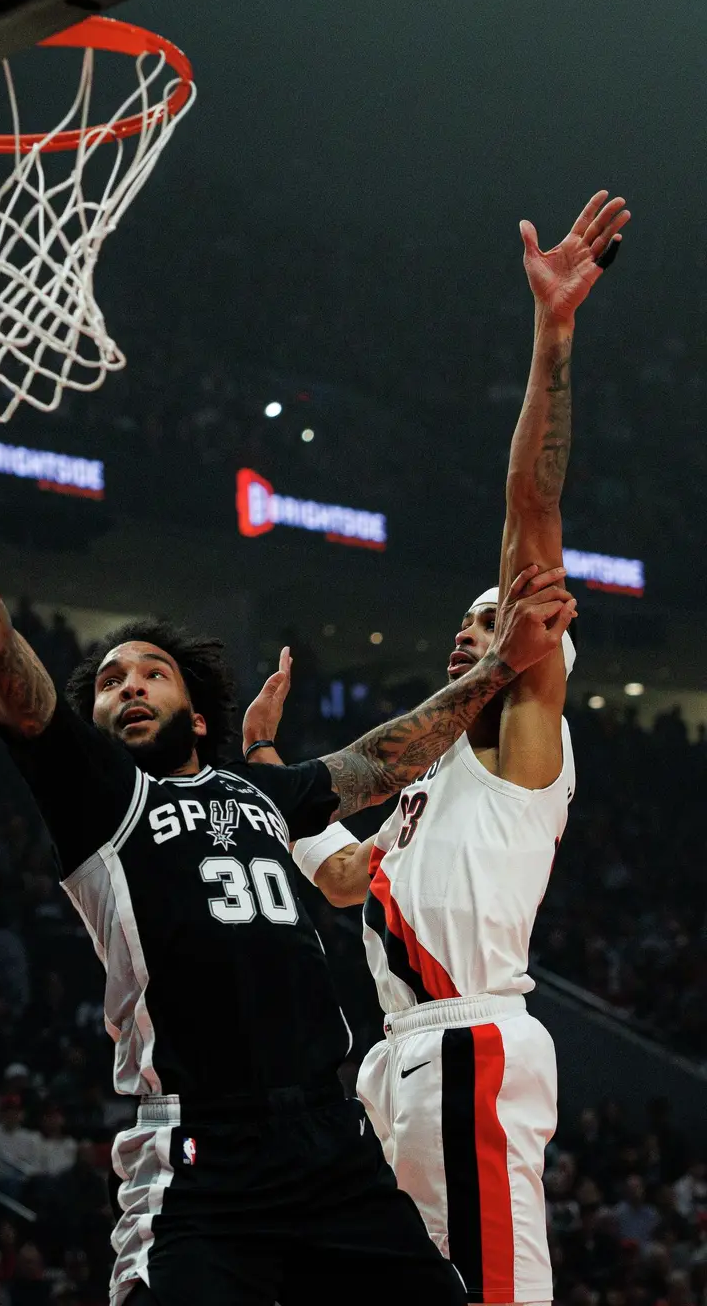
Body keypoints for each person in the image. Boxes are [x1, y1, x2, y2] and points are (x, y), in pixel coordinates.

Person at [0, 347, 576, 1306]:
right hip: (204, 1153)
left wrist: (495, 673)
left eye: (148, 671)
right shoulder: (100, 797)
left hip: (334, 1143)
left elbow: (381, 760)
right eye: (107, 681)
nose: (124, 685)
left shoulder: (255, 800)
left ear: (200, 713)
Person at [243, 189, 629, 1306]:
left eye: (494, 615)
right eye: (463, 622)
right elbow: (349, 876)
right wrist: (270, 779)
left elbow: (530, 509)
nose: (475, 625)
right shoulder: (427, 788)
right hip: (400, 1057)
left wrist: (553, 334)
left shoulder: (519, 743)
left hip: (467, 1048)